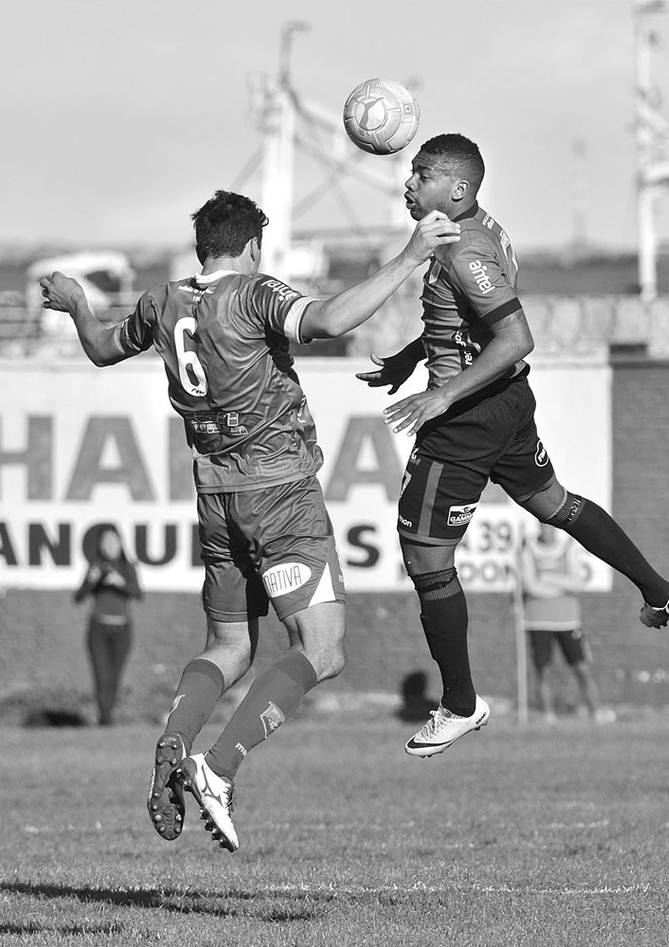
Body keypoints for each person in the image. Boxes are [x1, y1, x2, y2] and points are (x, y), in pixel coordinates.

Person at [40, 190, 461, 853]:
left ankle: (176, 739)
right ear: (250, 247)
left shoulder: (161, 302)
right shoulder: (255, 294)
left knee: (230, 646)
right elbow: (327, 318)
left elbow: (99, 346)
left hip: (215, 496)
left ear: (201, 245)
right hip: (281, 496)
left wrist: (75, 304)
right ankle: (218, 765)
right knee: (323, 648)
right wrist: (409, 257)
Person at [356, 133, 669, 758]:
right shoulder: (470, 230)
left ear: (458, 187)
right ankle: (658, 589)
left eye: (421, 174)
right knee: (553, 504)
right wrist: (412, 357)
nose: (408, 184)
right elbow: (467, 320)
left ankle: (460, 704)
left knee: (424, 551)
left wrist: (442, 395)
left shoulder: (467, 250)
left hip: (469, 417)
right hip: (505, 405)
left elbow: (516, 337)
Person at [520, 523, 614, 725]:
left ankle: (596, 713)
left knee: (582, 668)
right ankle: (548, 715)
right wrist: (561, 586)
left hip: (568, 620)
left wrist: (547, 578)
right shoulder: (528, 549)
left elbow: (577, 583)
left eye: (548, 526)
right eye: (541, 526)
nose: (545, 530)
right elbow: (530, 586)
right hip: (538, 620)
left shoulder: (568, 547)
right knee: (543, 669)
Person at [74, 524, 142, 726]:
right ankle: (105, 720)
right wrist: (91, 582)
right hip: (98, 629)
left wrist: (121, 582)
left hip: (122, 629)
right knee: (101, 675)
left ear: (121, 543)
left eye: (114, 541)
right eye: (106, 541)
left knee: (114, 677)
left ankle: (107, 717)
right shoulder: (95, 566)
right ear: (100, 545)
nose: (110, 546)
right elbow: (78, 597)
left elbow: (137, 594)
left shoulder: (127, 567)